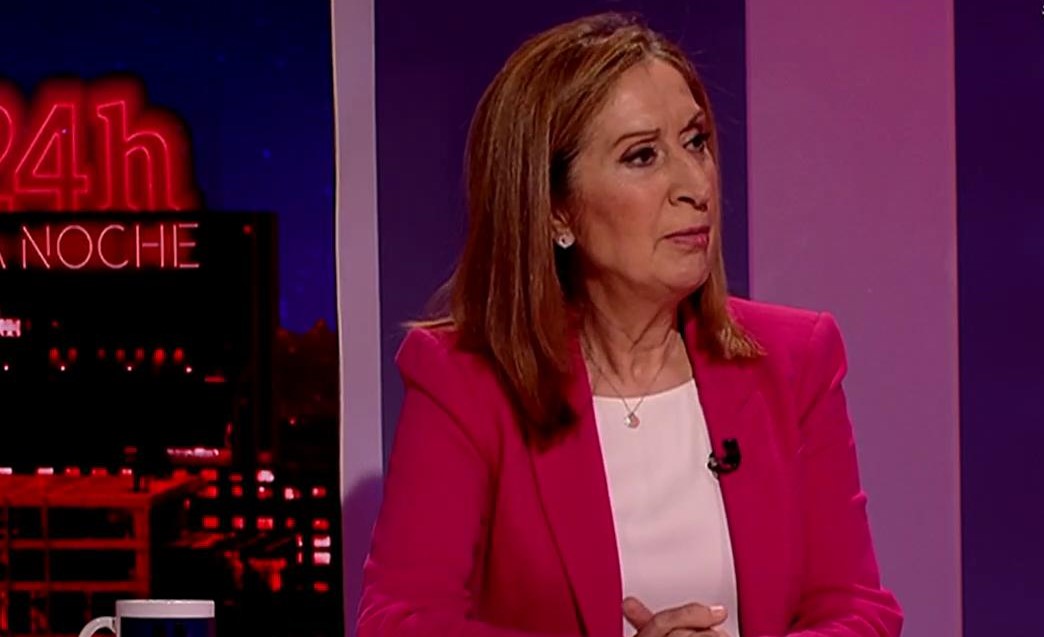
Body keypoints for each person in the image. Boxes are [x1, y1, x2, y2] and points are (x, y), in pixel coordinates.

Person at [356, 12, 902, 637]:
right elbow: (401, 620)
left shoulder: (795, 360)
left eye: (695, 142)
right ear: (556, 210)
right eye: (643, 156)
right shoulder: (465, 381)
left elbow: (857, 610)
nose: (695, 184)